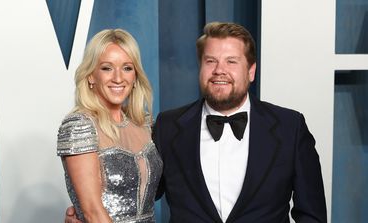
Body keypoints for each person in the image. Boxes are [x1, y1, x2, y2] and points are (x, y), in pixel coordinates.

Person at [66, 22, 327, 222]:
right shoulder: (167, 126)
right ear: (200, 67)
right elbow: (138, 190)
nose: (219, 71)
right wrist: (81, 212)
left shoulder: (290, 127)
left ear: (251, 71)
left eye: (231, 62)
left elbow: (312, 215)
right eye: (210, 61)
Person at [57, 28, 163, 223]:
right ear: (90, 76)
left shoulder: (147, 124)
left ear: (135, 77)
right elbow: (93, 212)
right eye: (107, 68)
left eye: (127, 68)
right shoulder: (79, 126)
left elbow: (156, 190)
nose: (118, 78)